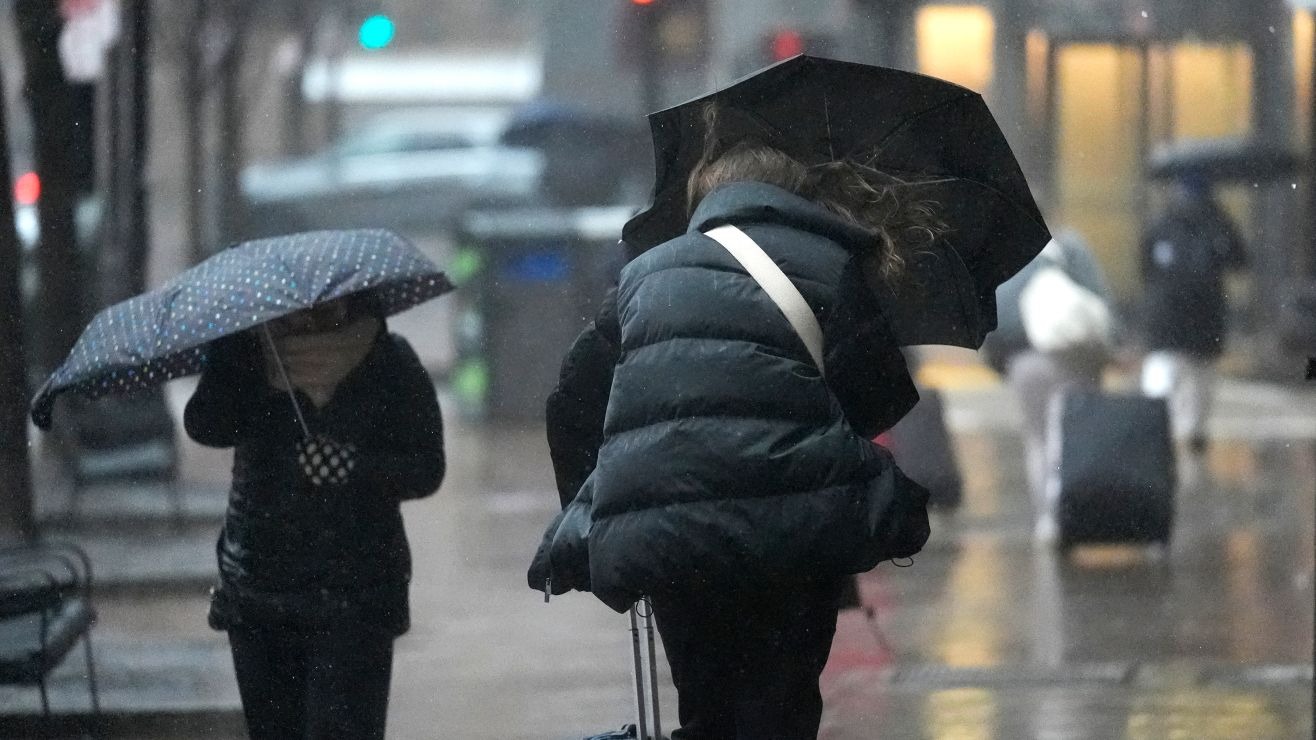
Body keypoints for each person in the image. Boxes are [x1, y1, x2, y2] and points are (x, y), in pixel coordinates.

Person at [533, 104, 931, 739]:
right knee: (782, 707)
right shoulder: (832, 267)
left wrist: (606, 506)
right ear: (798, 195)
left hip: (675, 534)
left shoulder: (643, 276)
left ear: (703, 196)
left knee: (708, 703)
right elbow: (877, 399)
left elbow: (573, 401)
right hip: (793, 538)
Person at [184, 294, 444, 740]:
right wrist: (237, 356)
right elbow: (205, 425)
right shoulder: (251, 355)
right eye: (293, 308)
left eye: (325, 305)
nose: (307, 315)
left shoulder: (388, 361)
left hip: (356, 593)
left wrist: (355, 468)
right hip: (258, 588)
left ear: (351, 299)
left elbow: (426, 469)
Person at [982, 229, 1117, 542]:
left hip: (1026, 362)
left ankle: (1049, 518)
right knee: (1076, 439)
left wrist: (1000, 364)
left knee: (1039, 441)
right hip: (1077, 360)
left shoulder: (1003, 257)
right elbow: (1101, 304)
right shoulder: (1071, 248)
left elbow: (993, 320)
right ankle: (1081, 511)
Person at [1139, 176, 1248, 454]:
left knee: (1168, 376)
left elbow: (1146, 268)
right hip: (1200, 317)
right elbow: (1239, 260)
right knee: (1196, 379)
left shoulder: (1164, 223)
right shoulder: (1217, 224)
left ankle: (1159, 430)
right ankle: (1189, 432)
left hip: (1172, 317)